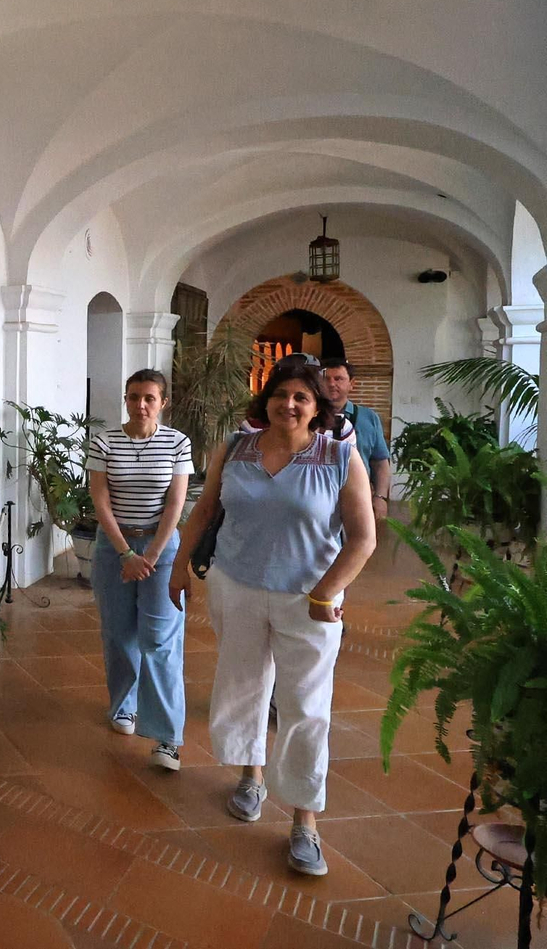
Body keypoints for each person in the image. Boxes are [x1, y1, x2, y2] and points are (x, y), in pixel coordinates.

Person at [169, 363, 376, 876]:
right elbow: (203, 511)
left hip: (308, 600)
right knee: (244, 685)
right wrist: (178, 566)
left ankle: (305, 822)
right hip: (237, 586)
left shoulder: (339, 456)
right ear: (266, 402)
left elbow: (363, 537)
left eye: (301, 397)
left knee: (305, 706)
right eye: (280, 395)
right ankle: (251, 775)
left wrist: (327, 591)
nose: (289, 404)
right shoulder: (236, 450)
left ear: (317, 406)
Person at [86, 369, 193, 771]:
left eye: (149, 397)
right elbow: (101, 501)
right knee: (118, 632)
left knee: (160, 639)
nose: (141, 404)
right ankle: (124, 707)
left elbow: (175, 503)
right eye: (134, 397)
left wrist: (150, 554)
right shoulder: (104, 441)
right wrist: (125, 554)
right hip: (113, 546)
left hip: (161, 548)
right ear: (126, 400)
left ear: (163, 402)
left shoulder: (177, 443)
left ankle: (167, 737)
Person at [320, 358, 393, 522]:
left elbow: (380, 461)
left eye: (338, 379)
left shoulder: (369, 418)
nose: (331, 384)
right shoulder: (308, 416)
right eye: (326, 379)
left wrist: (380, 497)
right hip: (317, 497)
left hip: (358, 498)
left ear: (352, 384)